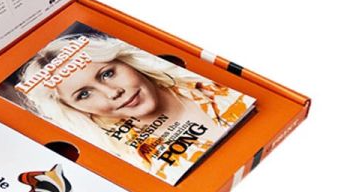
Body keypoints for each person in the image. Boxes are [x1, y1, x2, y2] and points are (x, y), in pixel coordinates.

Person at [18, 32, 250, 173]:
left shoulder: (211, 81)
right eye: (84, 94)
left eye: (107, 74)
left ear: (126, 62)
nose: (113, 93)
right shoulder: (130, 163)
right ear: (73, 109)